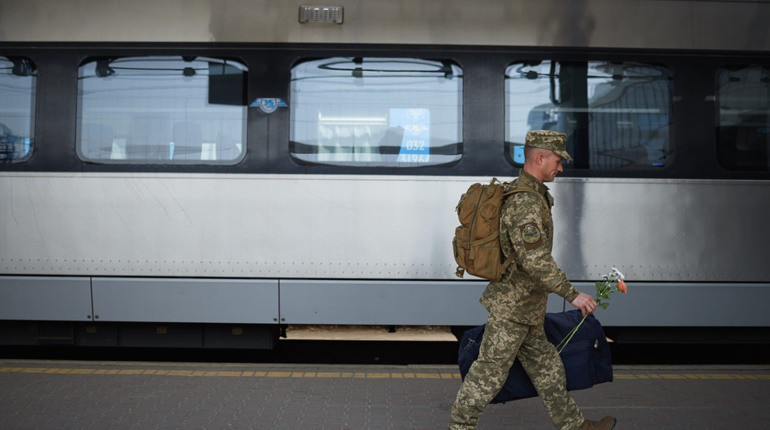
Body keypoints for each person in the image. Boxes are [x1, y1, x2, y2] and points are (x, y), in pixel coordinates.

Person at [448, 130, 616, 430]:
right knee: (488, 374)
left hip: (528, 307)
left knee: (547, 368)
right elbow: (533, 259)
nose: (560, 168)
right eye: (557, 160)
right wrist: (572, 294)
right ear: (539, 158)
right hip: (512, 309)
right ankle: (459, 428)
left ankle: (574, 425)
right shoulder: (525, 202)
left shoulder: (533, 194)